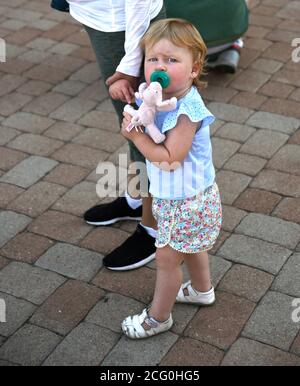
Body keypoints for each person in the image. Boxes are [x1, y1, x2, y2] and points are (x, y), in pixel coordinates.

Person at [120, 18, 222, 339]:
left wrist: (136, 138)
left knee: (166, 258)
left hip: (186, 200)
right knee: (189, 246)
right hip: (181, 197)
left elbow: (170, 158)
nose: (159, 66)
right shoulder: (156, 98)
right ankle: (203, 290)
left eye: (171, 60)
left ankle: (158, 318)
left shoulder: (186, 111)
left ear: (194, 69)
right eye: (153, 59)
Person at [65, 1, 167, 271]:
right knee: (132, 124)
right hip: (101, 17)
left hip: (124, 23)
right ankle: (137, 200)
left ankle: (154, 228)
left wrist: (132, 61)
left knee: (145, 131)